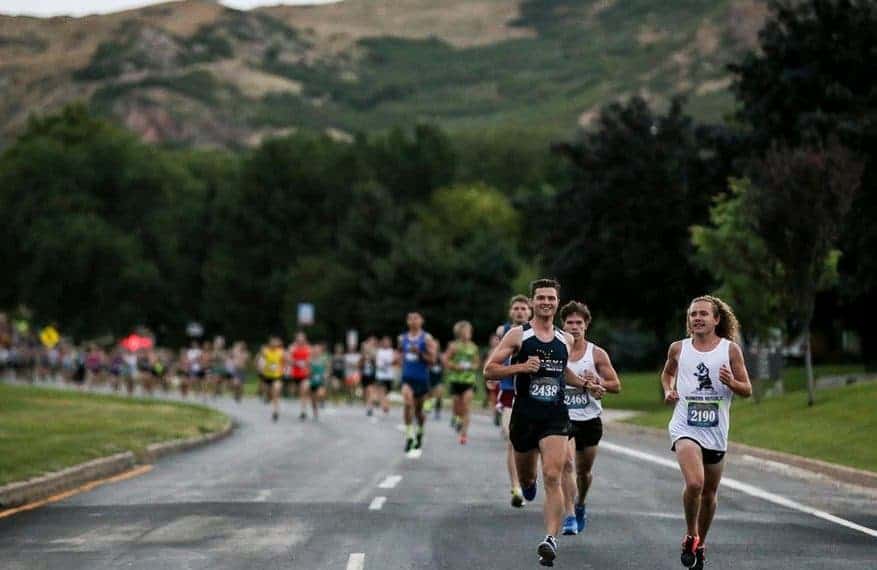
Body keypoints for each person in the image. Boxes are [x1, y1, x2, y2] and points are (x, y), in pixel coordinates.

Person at [484, 279, 597, 566]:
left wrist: (585, 384)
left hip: (555, 416)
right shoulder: (517, 335)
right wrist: (521, 367)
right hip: (524, 415)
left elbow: (563, 373)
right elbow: (490, 370)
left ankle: (550, 539)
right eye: (541, 297)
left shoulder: (565, 339)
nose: (546, 302)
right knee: (529, 479)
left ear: (557, 302)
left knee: (553, 475)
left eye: (551, 298)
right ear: (533, 302)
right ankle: (527, 483)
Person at [662, 296, 751, 569]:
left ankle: (700, 542)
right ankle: (691, 534)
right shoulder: (678, 348)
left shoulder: (730, 350)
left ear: (716, 319)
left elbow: (747, 390)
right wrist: (669, 389)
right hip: (685, 426)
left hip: (715, 430)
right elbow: (667, 374)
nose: (697, 318)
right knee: (695, 484)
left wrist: (731, 382)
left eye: (703, 314)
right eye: (693, 314)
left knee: (710, 493)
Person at [558, 301, 621, 536]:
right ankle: (569, 516)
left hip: (589, 419)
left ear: (586, 326)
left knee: (583, 472)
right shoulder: (555, 350)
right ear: (562, 326)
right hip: (562, 417)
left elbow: (616, 385)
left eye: (579, 323)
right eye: (569, 323)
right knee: (566, 464)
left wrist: (597, 383)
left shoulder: (596, 353)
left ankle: (580, 503)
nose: (574, 327)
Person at [492, 294, 532, 508]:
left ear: (530, 311)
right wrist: (492, 373)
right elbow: (496, 354)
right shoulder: (504, 331)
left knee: (532, 443)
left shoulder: (538, 331)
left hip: (533, 390)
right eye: (516, 308)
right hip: (509, 389)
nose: (519, 312)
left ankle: (528, 479)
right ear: (511, 312)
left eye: (524, 308)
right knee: (512, 438)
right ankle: (516, 487)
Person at [398, 311, 438, 454]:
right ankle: (409, 435)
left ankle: (420, 432)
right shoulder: (402, 338)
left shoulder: (426, 338)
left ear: (422, 321)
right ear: (407, 321)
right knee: (408, 404)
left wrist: (419, 353)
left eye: (416, 318)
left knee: (419, 413)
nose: (413, 321)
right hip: (407, 378)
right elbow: (400, 356)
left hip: (421, 379)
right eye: (410, 318)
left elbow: (433, 360)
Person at [444, 321, 480, 445]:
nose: (467, 334)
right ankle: (456, 418)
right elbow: (446, 360)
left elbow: (476, 364)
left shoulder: (473, 347)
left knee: (466, 406)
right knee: (456, 406)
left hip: (468, 380)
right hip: (455, 380)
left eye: (469, 331)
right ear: (459, 333)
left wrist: (471, 367)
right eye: (464, 331)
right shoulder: (454, 346)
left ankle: (464, 434)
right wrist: (455, 366)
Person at [258, 336, 286, 422]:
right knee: (269, 393)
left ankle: (275, 411)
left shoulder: (281, 352)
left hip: (278, 376)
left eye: (275, 342)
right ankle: (267, 397)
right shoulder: (265, 351)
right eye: (272, 342)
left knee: (276, 392)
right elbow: (260, 360)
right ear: (269, 343)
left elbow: (286, 362)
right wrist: (261, 367)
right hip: (267, 376)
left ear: (278, 343)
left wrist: (284, 369)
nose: (274, 344)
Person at [288, 332, 313, 420]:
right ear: (296, 339)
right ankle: (291, 396)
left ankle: (303, 411)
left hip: (304, 374)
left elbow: (310, 359)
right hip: (295, 373)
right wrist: (296, 362)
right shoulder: (292, 347)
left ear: (304, 339)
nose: (300, 340)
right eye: (299, 338)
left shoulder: (308, 348)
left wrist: (306, 363)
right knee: (294, 391)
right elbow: (289, 359)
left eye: (302, 338)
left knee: (304, 390)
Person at [374, 336, 396, 417]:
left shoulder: (392, 351)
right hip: (381, 375)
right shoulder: (379, 352)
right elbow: (377, 363)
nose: (386, 343)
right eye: (385, 342)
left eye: (388, 342)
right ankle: (384, 406)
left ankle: (385, 404)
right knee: (382, 391)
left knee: (387, 393)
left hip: (389, 376)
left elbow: (394, 361)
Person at [308, 343, 329, 419]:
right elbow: (307, 370)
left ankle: (322, 401)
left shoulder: (323, 359)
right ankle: (315, 413)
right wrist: (309, 373)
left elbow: (327, 369)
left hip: (321, 381)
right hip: (312, 382)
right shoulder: (310, 360)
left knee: (320, 394)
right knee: (313, 400)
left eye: (318, 350)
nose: (316, 351)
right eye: (315, 350)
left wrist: (325, 375)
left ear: (320, 351)